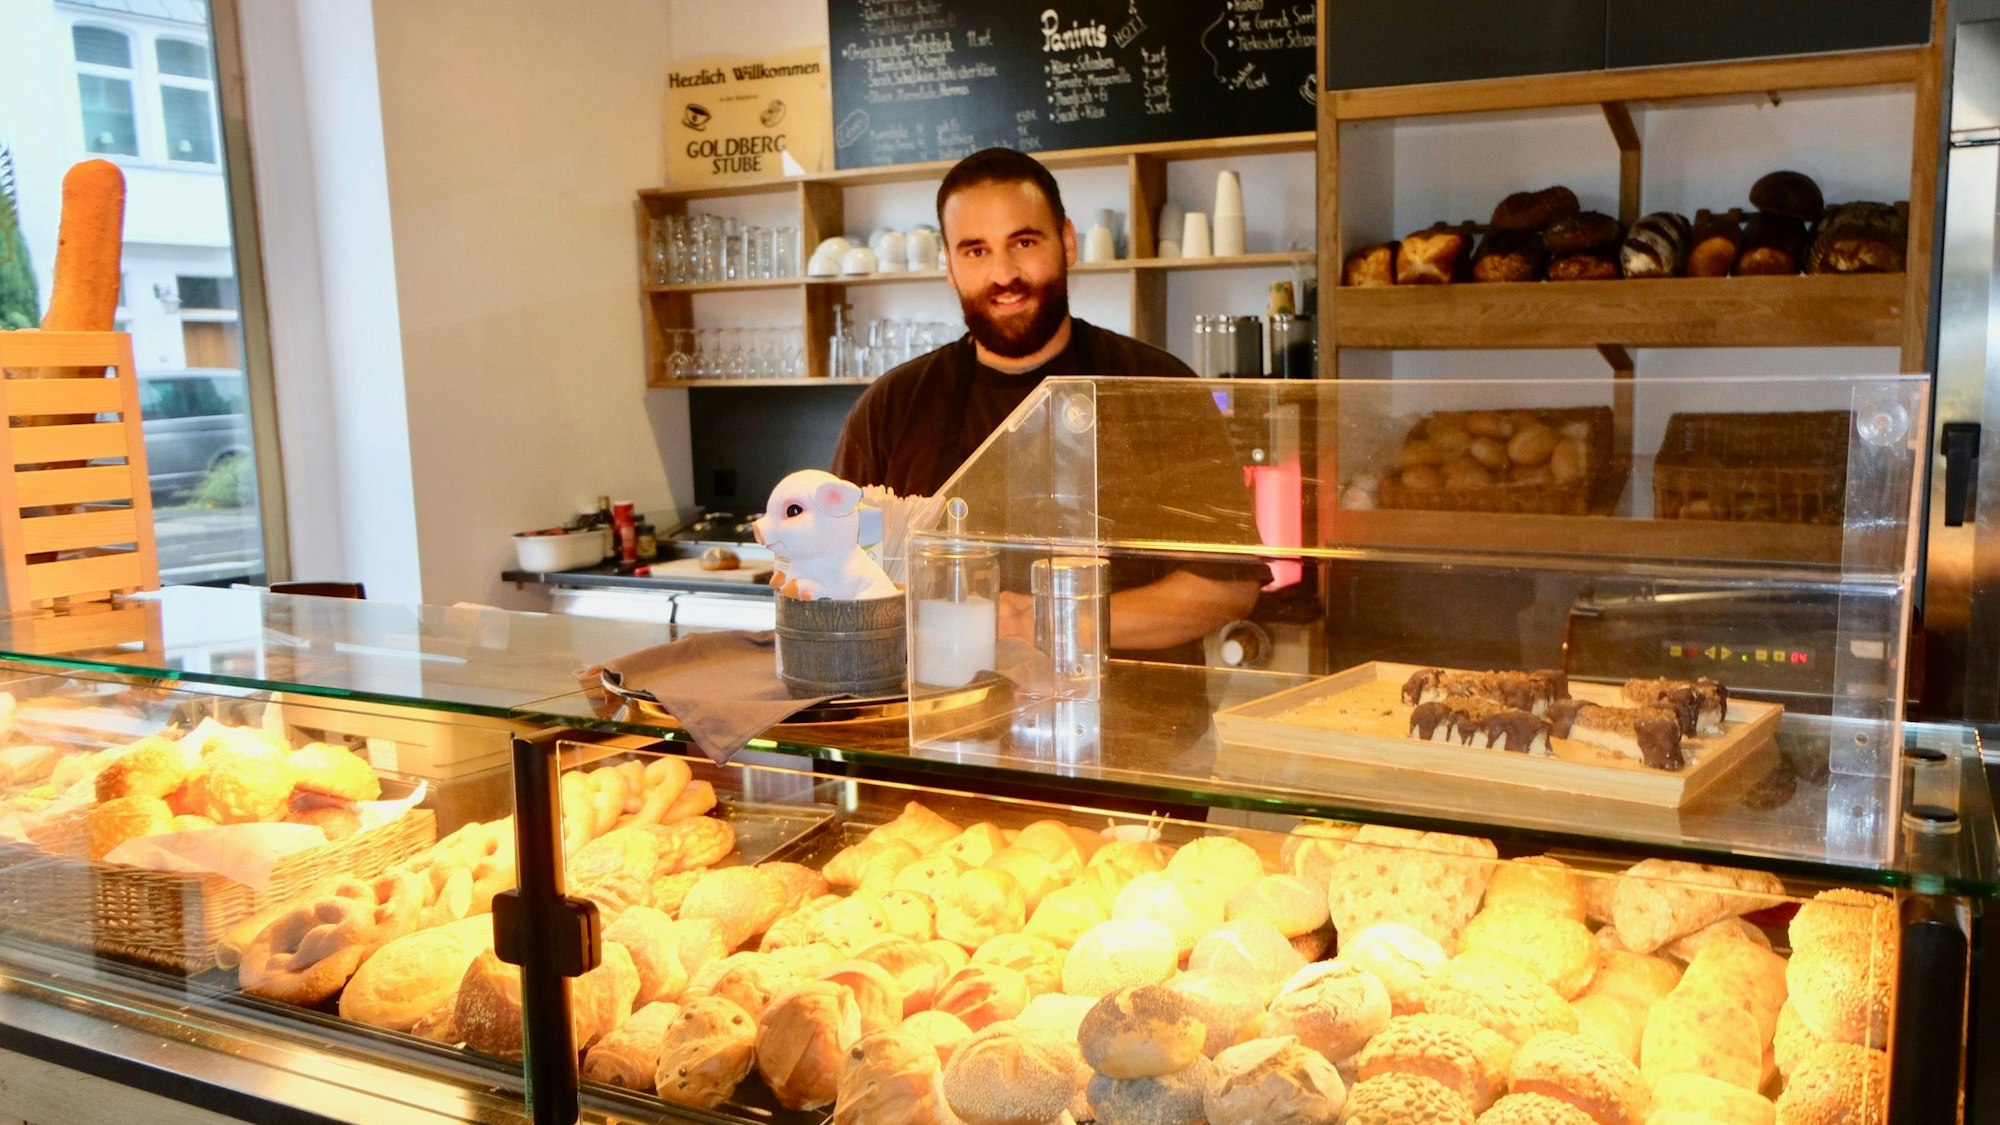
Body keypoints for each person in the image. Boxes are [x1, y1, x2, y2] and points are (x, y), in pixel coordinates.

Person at [830, 147, 1262, 662]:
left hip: (1143, 733)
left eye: (1024, 242)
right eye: (975, 251)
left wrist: (1043, 620)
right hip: (941, 731)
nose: (1003, 274)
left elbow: (1228, 588)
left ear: (1068, 241)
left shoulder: (1158, 388)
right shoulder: (892, 407)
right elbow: (840, 574)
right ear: (948, 265)